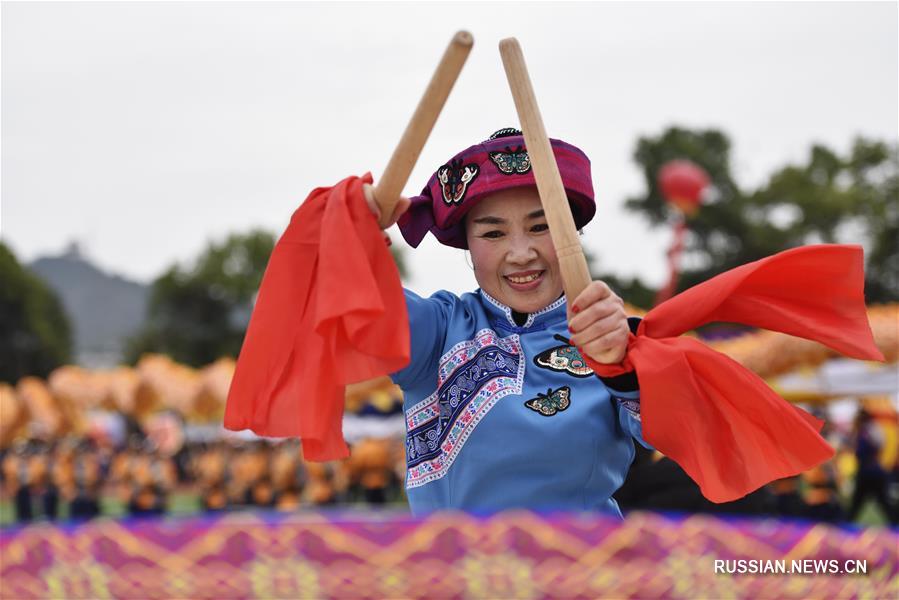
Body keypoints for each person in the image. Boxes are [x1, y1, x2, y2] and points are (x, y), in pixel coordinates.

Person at [362, 128, 649, 516]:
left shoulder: (615, 336)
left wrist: (624, 367)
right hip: (456, 571)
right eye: (493, 232)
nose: (519, 253)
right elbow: (344, 297)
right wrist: (353, 231)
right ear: (468, 244)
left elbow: (685, 437)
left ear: (574, 233)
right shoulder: (439, 331)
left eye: (541, 226)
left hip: (587, 568)